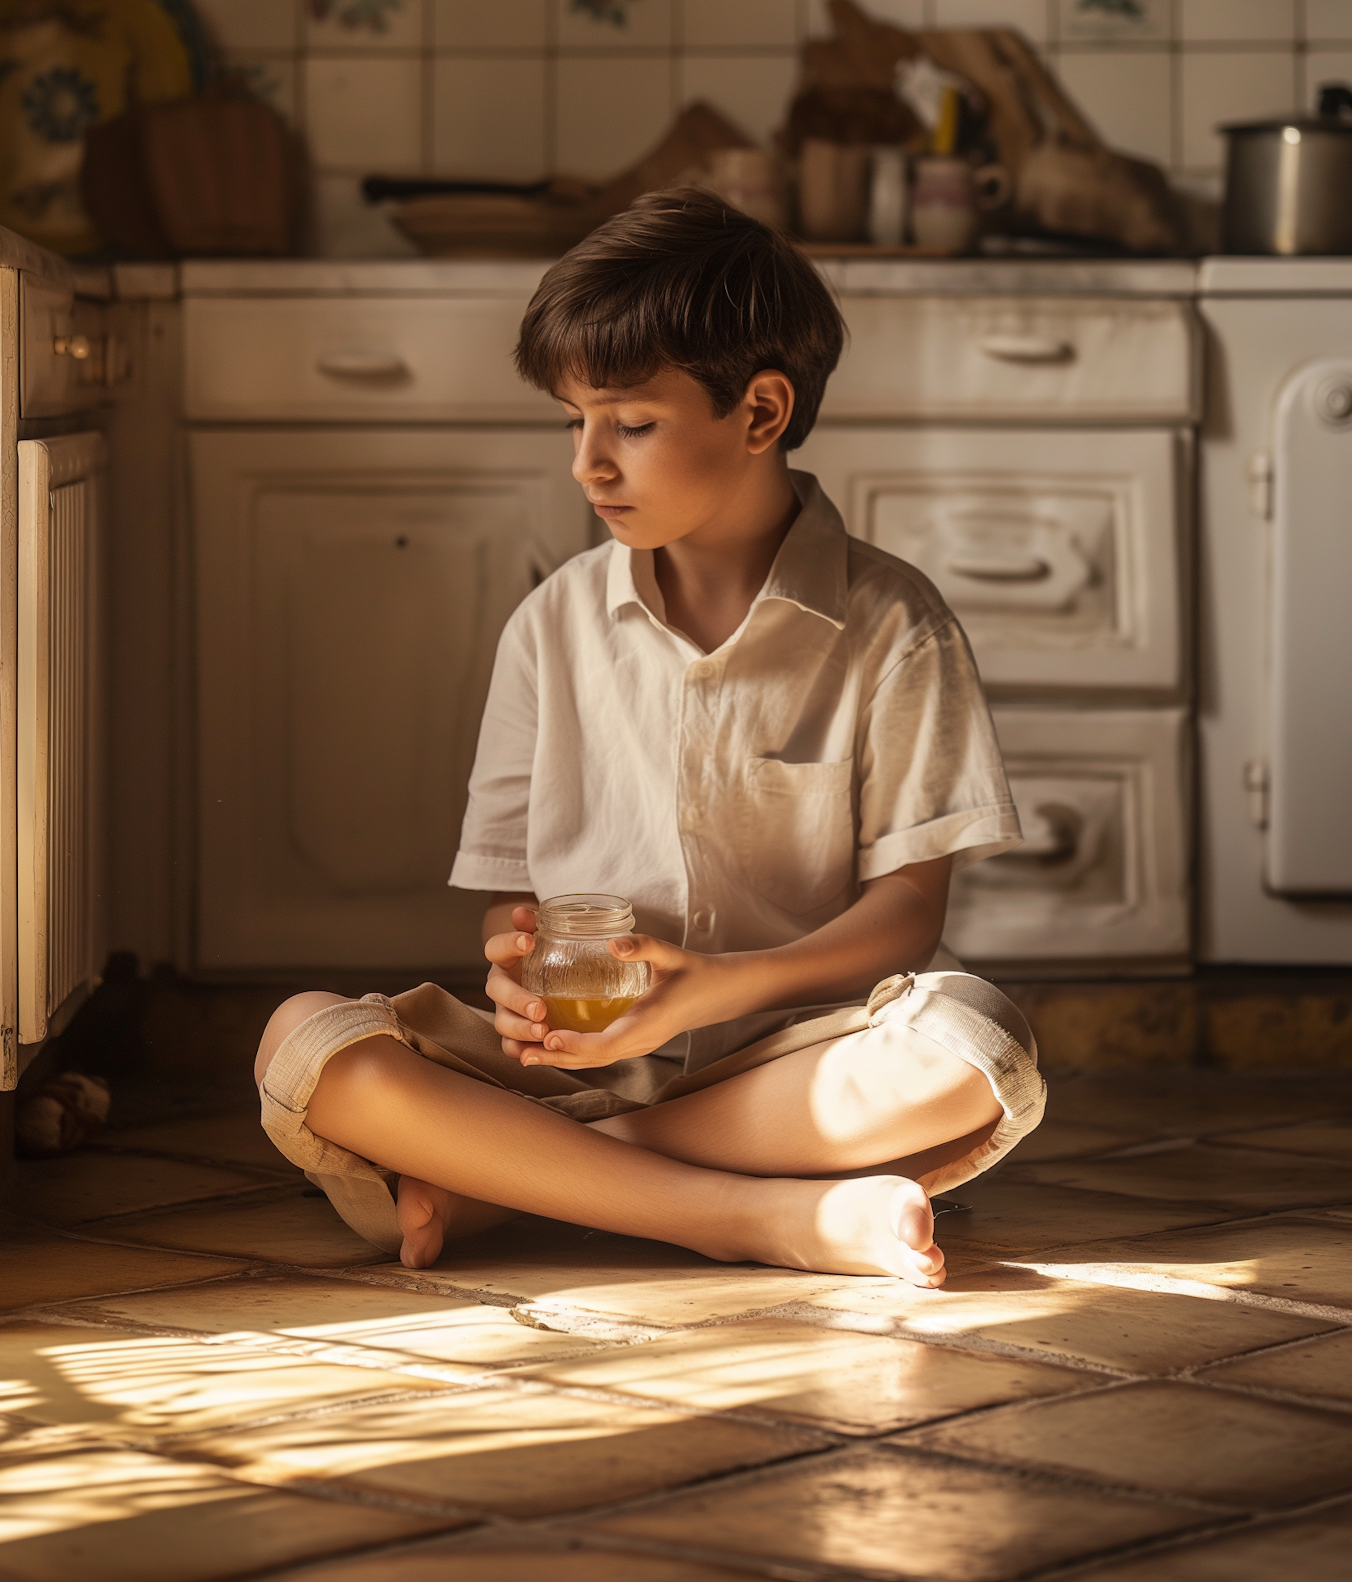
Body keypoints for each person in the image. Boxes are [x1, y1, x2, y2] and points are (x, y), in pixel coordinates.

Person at [255, 189, 1043, 1289]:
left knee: (972, 1048)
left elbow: (906, 917)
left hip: (787, 1071)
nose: (588, 461)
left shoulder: (896, 626)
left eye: (630, 421)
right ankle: (748, 1216)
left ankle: (512, 1180)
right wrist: (515, 970)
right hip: (566, 1064)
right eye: (572, 420)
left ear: (760, 412)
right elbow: (511, 902)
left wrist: (712, 986)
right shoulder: (550, 624)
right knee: (303, 1039)